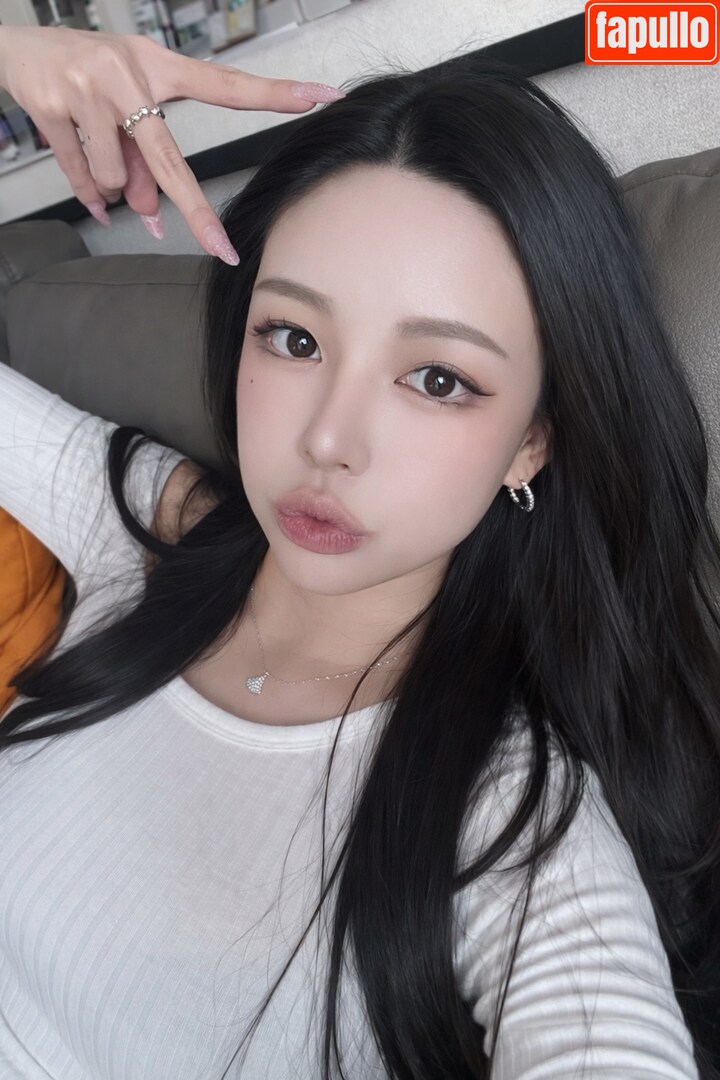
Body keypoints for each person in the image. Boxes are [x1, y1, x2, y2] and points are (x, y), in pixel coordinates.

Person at [0, 23, 718, 1080]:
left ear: (531, 439)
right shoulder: (148, 527)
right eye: (293, 339)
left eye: (438, 379)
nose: (329, 441)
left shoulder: (514, 820)